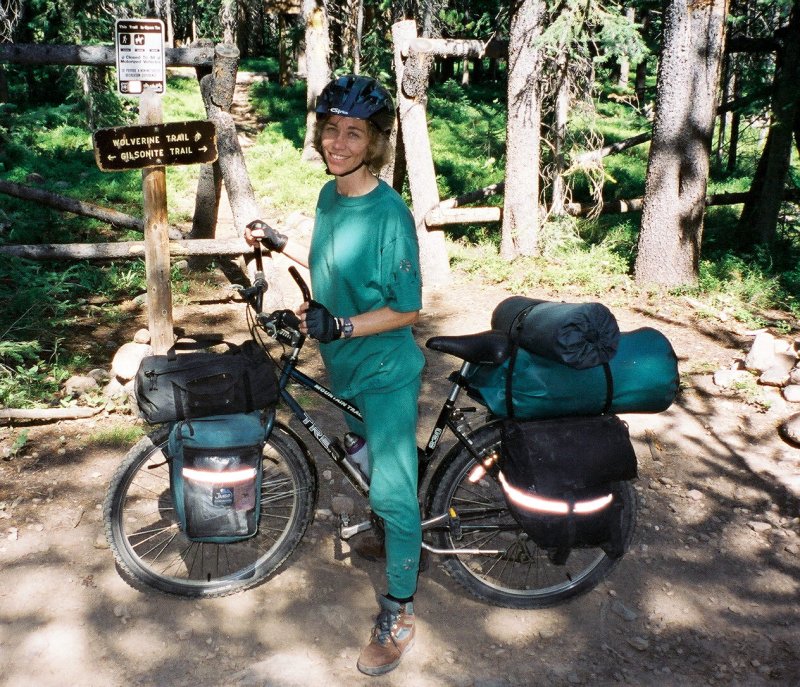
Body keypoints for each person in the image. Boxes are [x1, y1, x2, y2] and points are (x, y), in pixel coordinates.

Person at [244, 74, 425, 677]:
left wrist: (341, 326)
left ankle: (399, 612)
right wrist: (280, 242)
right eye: (331, 128)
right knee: (361, 457)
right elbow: (330, 265)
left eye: (354, 132)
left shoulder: (389, 213)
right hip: (344, 365)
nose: (338, 142)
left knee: (393, 494)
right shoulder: (330, 196)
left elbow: (406, 307)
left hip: (384, 369)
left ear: (374, 142)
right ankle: (383, 528)